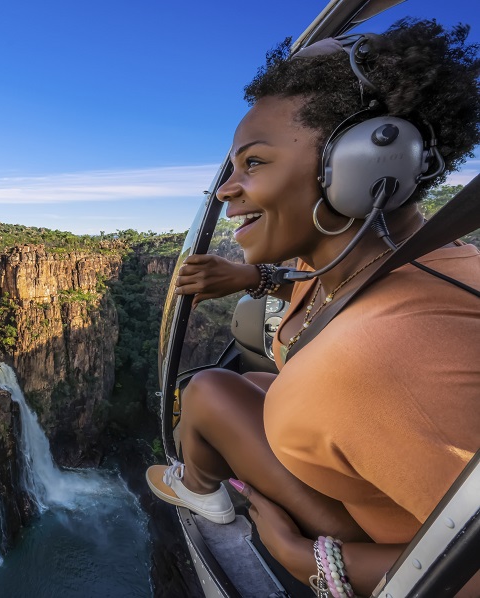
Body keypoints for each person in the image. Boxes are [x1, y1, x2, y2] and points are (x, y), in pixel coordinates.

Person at [146, 19, 480, 596]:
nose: (226, 188)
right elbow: (325, 287)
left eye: (253, 163)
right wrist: (254, 277)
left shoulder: (372, 361)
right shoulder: (427, 259)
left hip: (372, 547)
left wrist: (312, 560)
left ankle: (201, 489)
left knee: (205, 391)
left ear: (357, 169)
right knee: (244, 381)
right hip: (362, 453)